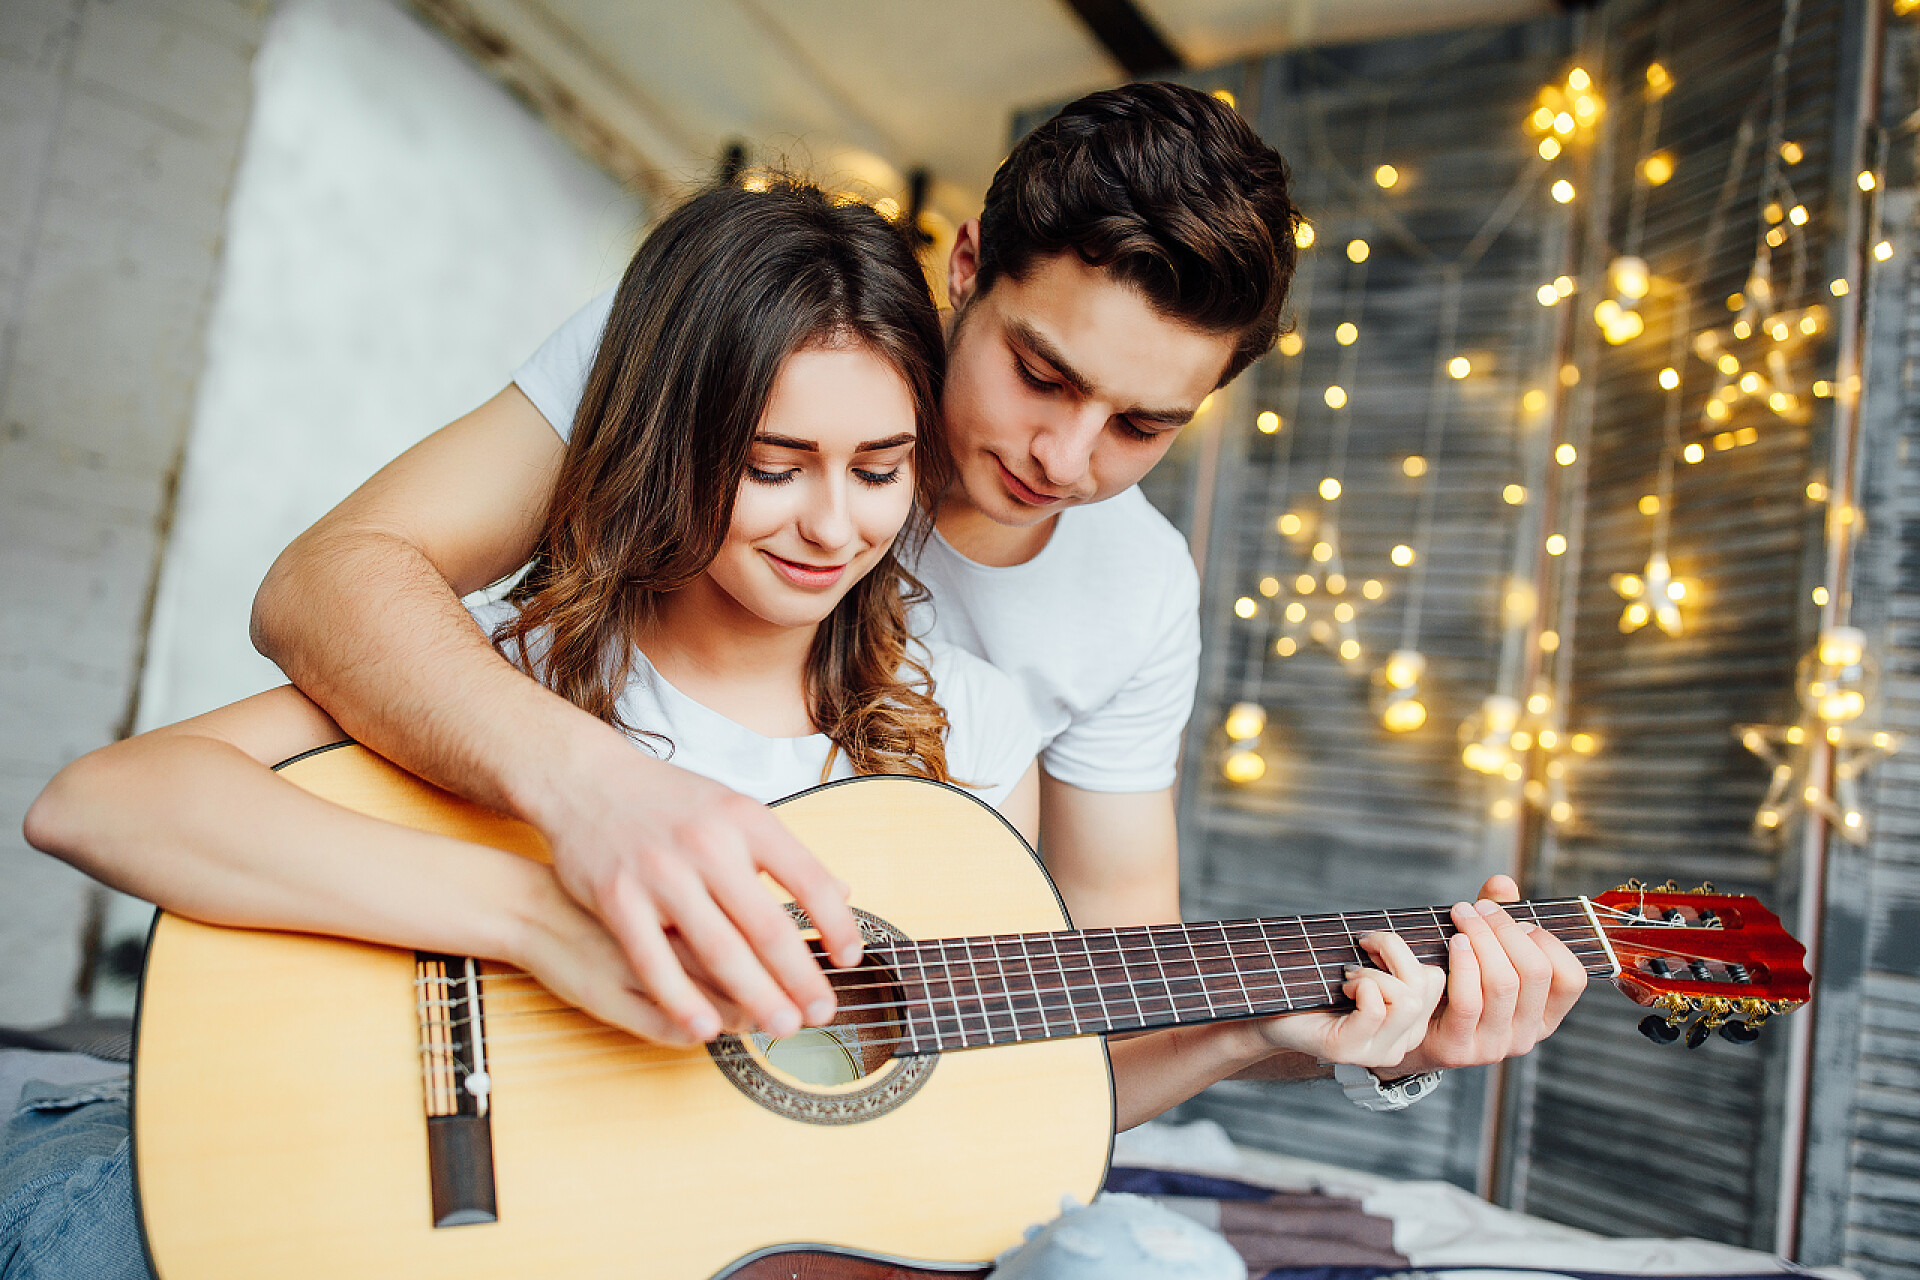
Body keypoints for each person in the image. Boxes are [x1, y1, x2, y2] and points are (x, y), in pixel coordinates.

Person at [12, 176, 1442, 1280]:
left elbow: (1008, 1097)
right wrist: (544, 914)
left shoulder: (952, 759)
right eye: (774, 467)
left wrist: (1258, 1034)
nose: (836, 521)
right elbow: (99, 805)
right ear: (682, 444)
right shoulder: (535, 668)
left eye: (884, 470)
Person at [246, 81, 1588, 1103]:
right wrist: (594, 793)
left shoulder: (1132, 598)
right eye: (1044, 375)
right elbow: (327, 583)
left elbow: (1098, 1012)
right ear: (963, 268)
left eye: (1144, 428)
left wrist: (1293, 1036)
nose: (1066, 459)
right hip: (462, 983)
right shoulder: (727, 336)